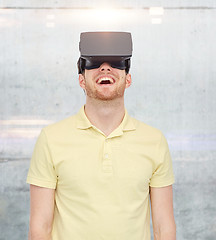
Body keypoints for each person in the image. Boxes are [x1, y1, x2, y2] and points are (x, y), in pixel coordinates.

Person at [26, 32, 176, 240]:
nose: (105, 68)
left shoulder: (154, 141)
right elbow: (40, 228)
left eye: (117, 63)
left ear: (128, 79)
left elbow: (164, 228)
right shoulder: (51, 139)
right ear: (81, 80)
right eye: (93, 63)